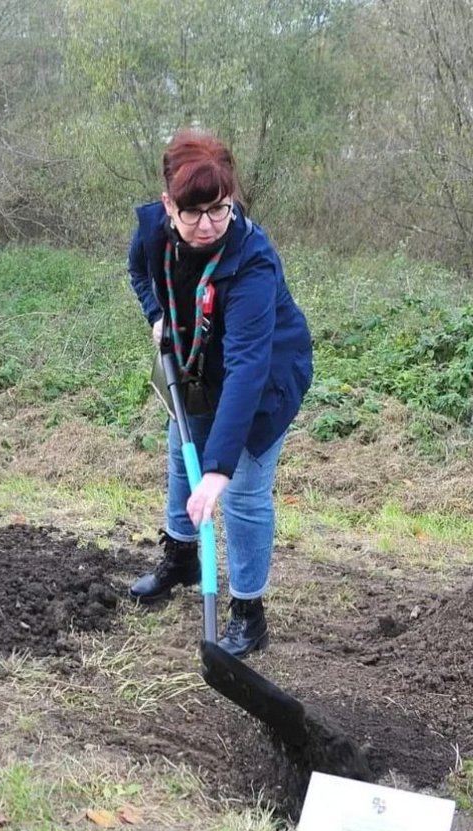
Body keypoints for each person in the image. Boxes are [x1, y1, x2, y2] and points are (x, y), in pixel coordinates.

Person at [127, 130, 313, 657]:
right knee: (178, 455)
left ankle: (249, 614)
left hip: (266, 376)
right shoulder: (153, 234)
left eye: (220, 209)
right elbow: (139, 272)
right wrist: (157, 315)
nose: (208, 224)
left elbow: (249, 367)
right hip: (194, 363)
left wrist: (219, 470)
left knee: (244, 490)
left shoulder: (252, 262)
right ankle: (182, 559)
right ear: (169, 205)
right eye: (194, 213)